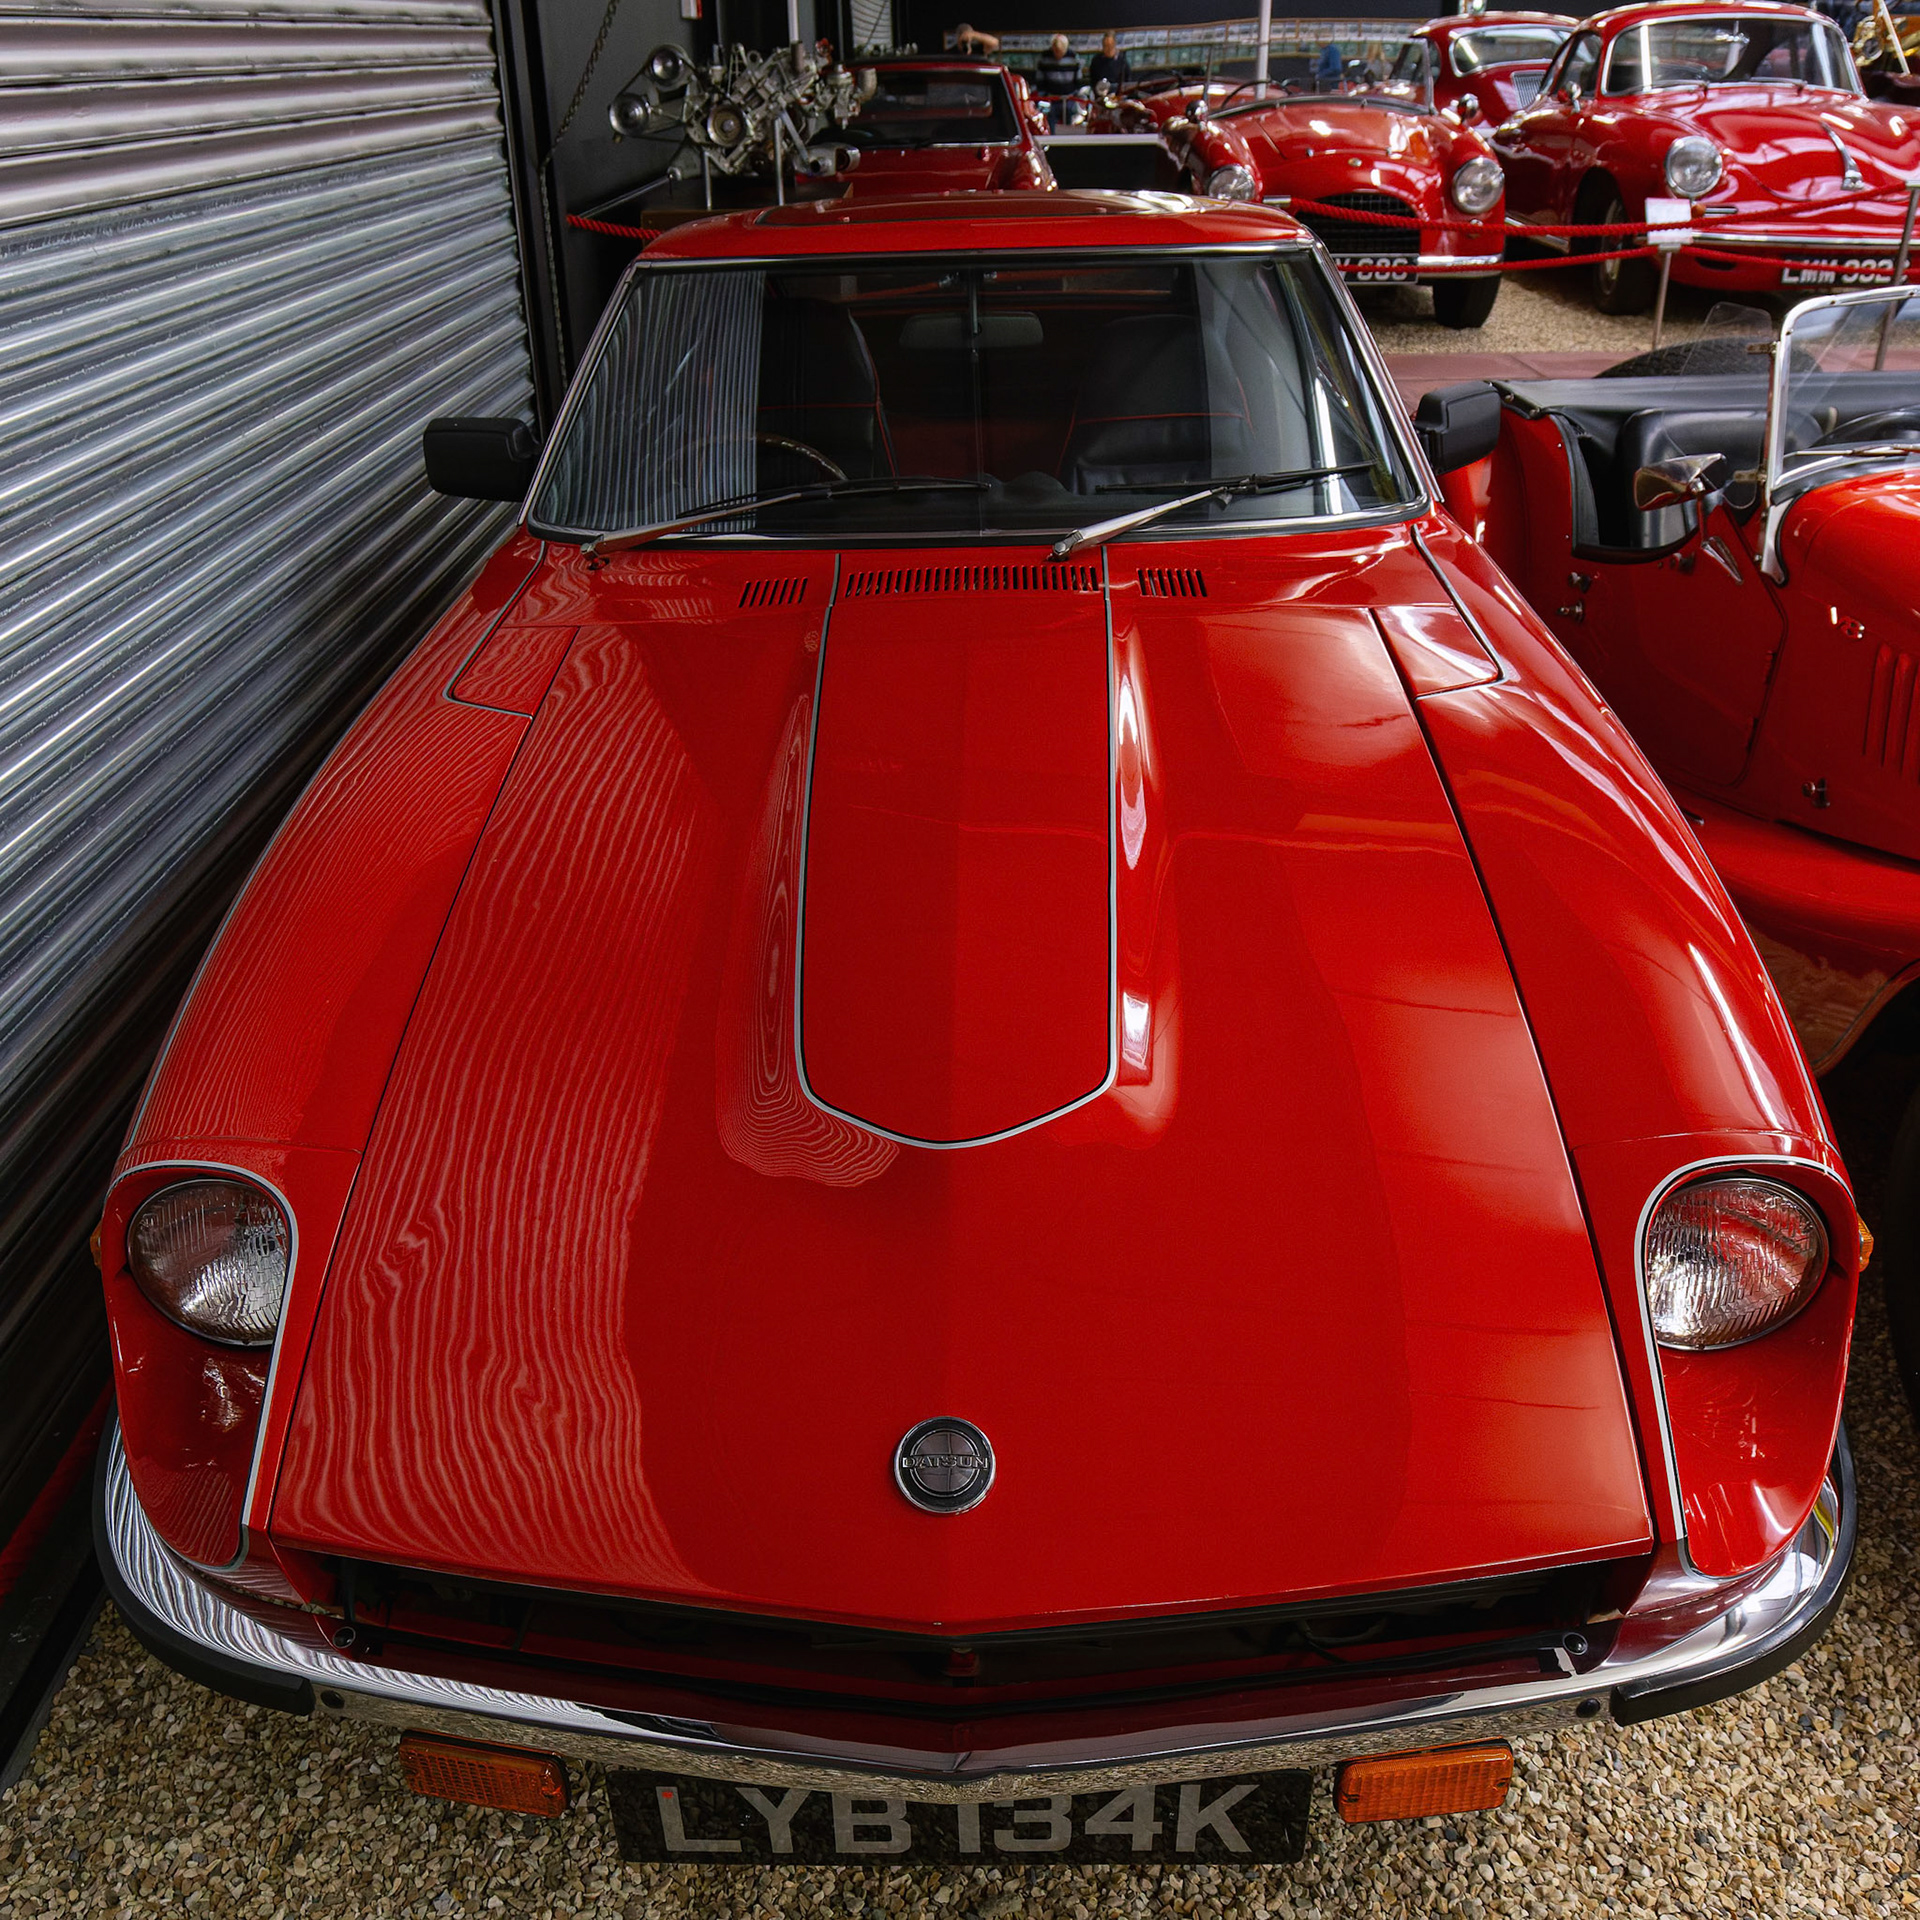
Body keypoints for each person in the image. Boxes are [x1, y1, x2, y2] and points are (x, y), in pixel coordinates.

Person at [1036, 31, 1080, 120]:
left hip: (1069, 98)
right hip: (1050, 98)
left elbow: (1078, 79)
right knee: (1049, 121)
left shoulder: (1073, 57)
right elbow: (1039, 79)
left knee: (1070, 124)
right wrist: (1043, 97)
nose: (1058, 54)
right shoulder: (1044, 58)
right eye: (1055, 51)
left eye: (1060, 51)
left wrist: (1076, 95)